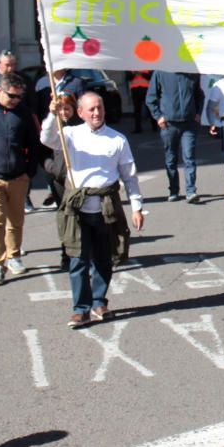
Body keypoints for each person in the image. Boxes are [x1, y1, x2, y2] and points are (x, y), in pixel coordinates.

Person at [41, 92, 144, 327]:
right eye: (91, 109)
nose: (96, 113)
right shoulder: (70, 134)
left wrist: (136, 207)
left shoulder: (117, 139)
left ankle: (99, 302)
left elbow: (130, 176)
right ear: (80, 113)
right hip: (77, 208)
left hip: (106, 208)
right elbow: (46, 139)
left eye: (99, 108)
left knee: (104, 258)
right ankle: (80, 309)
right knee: (77, 259)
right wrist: (52, 113)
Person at [0, 74, 40, 285]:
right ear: (0, 91)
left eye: (19, 97)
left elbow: (34, 145)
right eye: (12, 96)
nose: (16, 100)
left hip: (18, 177)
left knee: (15, 221)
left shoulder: (23, 113)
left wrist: (29, 172)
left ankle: (14, 256)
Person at [146, 70, 204, 203]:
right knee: (171, 159)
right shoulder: (160, 72)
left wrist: (198, 113)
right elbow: (151, 98)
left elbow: (199, 95)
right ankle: (173, 190)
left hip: (189, 124)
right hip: (169, 124)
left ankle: (191, 191)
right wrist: (158, 116)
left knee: (189, 157)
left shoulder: (191, 73)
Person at [41, 92, 82, 270]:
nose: (64, 112)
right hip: (59, 180)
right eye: (61, 109)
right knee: (65, 217)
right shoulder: (51, 127)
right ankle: (66, 254)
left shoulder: (81, 127)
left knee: (82, 217)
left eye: (67, 108)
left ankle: (84, 251)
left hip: (79, 180)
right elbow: (42, 153)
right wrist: (54, 169)